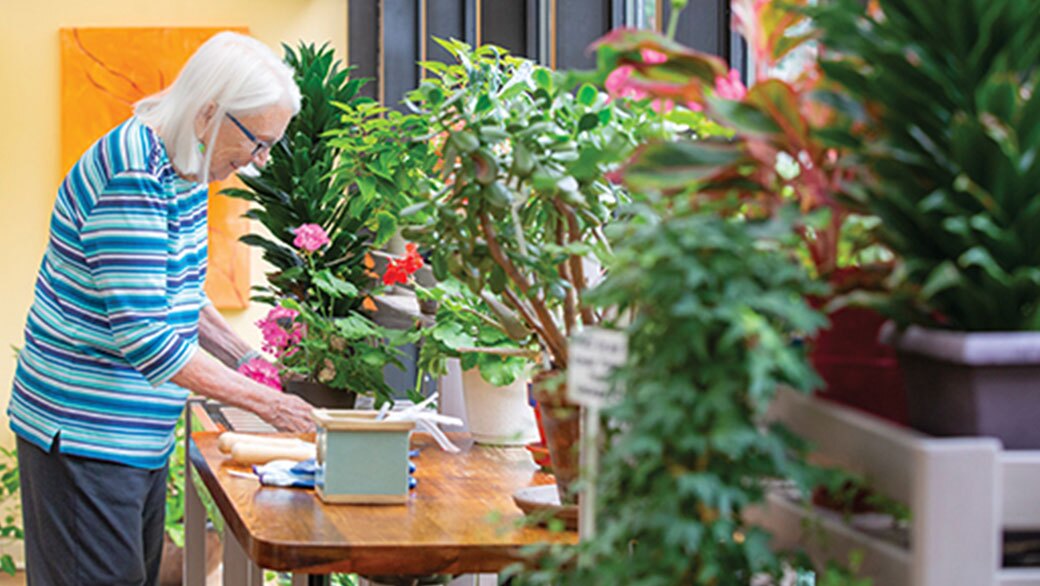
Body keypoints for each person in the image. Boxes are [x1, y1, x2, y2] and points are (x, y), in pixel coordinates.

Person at [7, 31, 316, 585]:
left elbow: (177, 294)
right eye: (258, 143)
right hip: (85, 433)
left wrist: (248, 360)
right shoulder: (134, 173)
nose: (258, 160)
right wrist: (269, 404)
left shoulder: (184, 166)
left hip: (130, 433)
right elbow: (148, 337)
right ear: (209, 114)